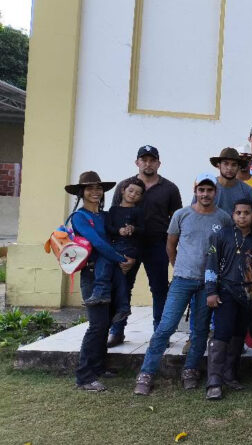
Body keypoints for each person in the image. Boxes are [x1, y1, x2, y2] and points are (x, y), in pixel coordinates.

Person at [133, 173, 232, 396]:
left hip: (208, 283)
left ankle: (190, 370)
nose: (205, 194)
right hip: (182, 280)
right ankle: (146, 373)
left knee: (199, 331)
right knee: (165, 327)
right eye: (201, 190)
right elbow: (171, 244)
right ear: (195, 191)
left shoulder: (223, 218)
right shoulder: (181, 214)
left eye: (209, 190)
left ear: (215, 192)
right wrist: (177, 265)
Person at [67, 172, 135, 391]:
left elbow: (116, 236)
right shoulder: (79, 217)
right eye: (89, 188)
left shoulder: (105, 216)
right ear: (81, 192)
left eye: (98, 188)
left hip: (111, 274)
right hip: (92, 275)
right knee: (97, 326)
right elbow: (96, 242)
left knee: (105, 323)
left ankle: (98, 367)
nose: (95, 192)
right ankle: (84, 377)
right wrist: (120, 259)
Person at [108, 145, 182, 347]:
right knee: (123, 287)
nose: (148, 164)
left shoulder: (169, 188)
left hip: (157, 244)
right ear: (137, 162)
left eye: (152, 160)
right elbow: (114, 214)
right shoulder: (125, 185)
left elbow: (177, 220)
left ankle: (160, 333)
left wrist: (174, 247)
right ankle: (117, 330)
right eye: (144, 160)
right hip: (127, 246)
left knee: (159, 289)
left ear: (158, 163)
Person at [204, 199, 252, 400]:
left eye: (246, 213)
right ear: (233, 215)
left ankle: (230, 374)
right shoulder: (221, 236)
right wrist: (211, 291)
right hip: (226, 292)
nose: (242, 216)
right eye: (238, 212)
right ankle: (213, 381)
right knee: (222, 333)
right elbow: (211, 264)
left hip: (248, 294)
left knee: (239, 334)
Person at [105, 177, 146, 324]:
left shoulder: (138, 211)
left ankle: (122, 308)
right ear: (123, 191)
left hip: (130, 248)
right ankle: (121, 308)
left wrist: (133, 229)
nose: (133, 194)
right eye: (130, 190)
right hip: (115, 247)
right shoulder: (113, 210)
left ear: (141, 197)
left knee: (123, 278)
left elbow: (143, 230)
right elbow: (108, 228)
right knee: (118, 278)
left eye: (138, 193)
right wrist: (119, 230)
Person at [206, 147, 252, 212]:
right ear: (218, 165)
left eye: (234, 165)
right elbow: (195, 214)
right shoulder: (206, 188)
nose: (229, 168)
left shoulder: (247, 190)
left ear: (238, 167)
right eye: (226, 163)